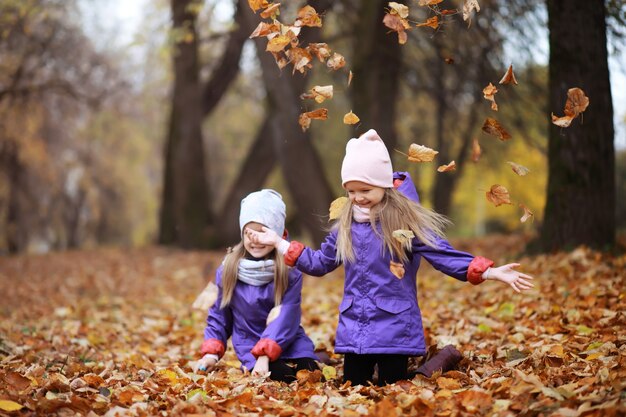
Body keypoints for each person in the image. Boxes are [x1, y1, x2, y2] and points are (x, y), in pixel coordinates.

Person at [246, 129, 534, 386]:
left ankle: (440, 362)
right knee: (354, 386)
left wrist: (489, 272)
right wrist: (278, 243)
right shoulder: (345, 227)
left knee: (394, 389)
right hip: (355, 330)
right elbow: (319, 263)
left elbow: (443, 255)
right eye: (351, 191)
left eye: (365, 190)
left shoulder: (403, 225)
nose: (358, 197)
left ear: (383, 185)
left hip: (395, 329)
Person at [197, 189, 319, 382]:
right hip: (249, 344)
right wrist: (211, 353)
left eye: (262, 232)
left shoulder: (289, 271)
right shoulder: (228, 270)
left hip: (288, 338)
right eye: (249, 233)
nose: (255, 240)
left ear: (275, 234)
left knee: (310, 373)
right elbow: (219, 316)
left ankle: (312, 358)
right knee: (281, 376)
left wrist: (266, 353)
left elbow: (287, 316)